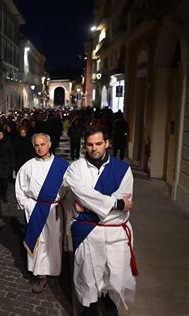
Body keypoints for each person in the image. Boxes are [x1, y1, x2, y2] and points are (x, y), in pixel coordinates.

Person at [64, 126, 136, 315]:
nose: (94, 148)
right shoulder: (74, 169)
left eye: (98, 143)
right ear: (84, 146)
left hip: (115, 232)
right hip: (88, 232)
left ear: (107, 143)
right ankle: (90, 306)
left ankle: (109, 300)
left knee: (114, 273)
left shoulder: (123, 170)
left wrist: (88, 207)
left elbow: (95, 203)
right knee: (87, 273)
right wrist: (118, 203)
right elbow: (84, 195)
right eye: (90, 145)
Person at [15, 133, 69, 294]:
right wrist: (28, 205)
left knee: (54, 241)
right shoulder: (27, 166)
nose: (40, 148)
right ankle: (41, 275)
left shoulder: (62, 165)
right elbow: (20, 188)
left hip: (55, 210)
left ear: (49, 144)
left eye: (43, 144)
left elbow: (71, 189)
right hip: (36, 209)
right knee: (39, 242)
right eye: (37, 145)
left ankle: (54, 269)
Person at [0, 129, 14, 203]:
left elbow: (11, 152)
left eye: (1, 134)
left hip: (5, 163)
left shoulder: (7, 142)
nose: (0, 136)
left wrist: (12, 164)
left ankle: (4, 195)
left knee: (5, 180)